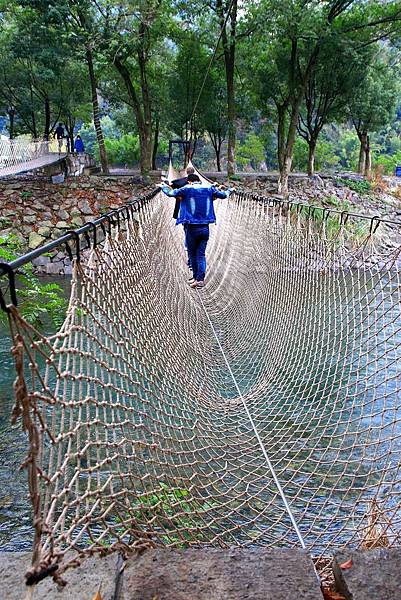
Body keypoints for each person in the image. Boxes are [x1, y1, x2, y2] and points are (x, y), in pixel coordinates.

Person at [161, 178, 232, 289]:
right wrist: (230, 190)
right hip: (205, 227)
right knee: (201, 255)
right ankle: (199, 280)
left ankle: (196, 278)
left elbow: (170, 193)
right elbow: (223, 195)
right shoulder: (209, 189)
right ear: (200, 181)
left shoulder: (186, 189)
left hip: (191, 227)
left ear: (189, 182)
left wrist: (163, 186)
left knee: (192, 254)